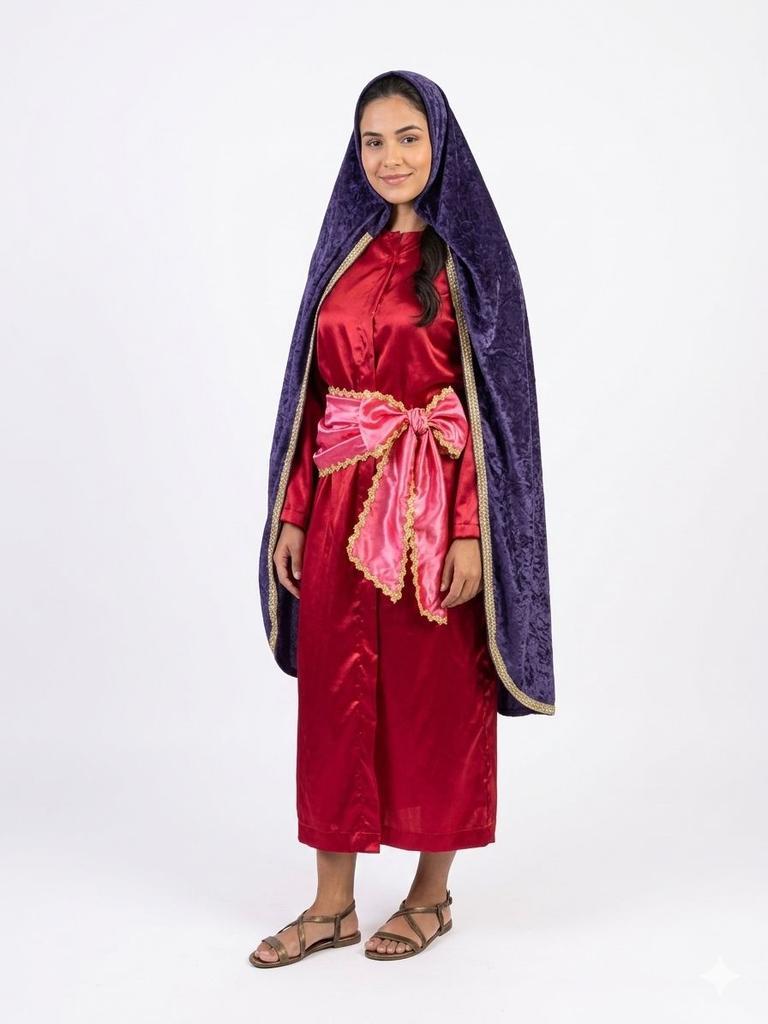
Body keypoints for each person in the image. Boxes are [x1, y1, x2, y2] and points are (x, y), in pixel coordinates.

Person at [252, 70, 556, 968]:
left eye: (408, 138)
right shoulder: (342, 256)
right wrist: (293, 514)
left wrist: (470, 531)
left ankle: (430, 895)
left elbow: (491, 415)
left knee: (437, 696)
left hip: (431, 509)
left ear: (441, 145)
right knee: (332, 703)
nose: (390, 158)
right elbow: (312, 397)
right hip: (339, 506)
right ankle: (331, 907)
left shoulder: (472, 267)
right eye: (373, 141)